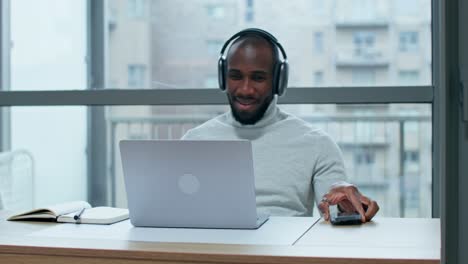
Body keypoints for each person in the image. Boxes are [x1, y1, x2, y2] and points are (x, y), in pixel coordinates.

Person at [182, 28, 379, 222]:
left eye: (258, 78)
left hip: (282, 252)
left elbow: (335, 207)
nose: (245, 89)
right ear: (223, 78)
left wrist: (347, 206)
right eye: (236, 76)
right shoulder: (194, 141)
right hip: (209, 250)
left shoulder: (317, 144)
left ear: (279, 81)